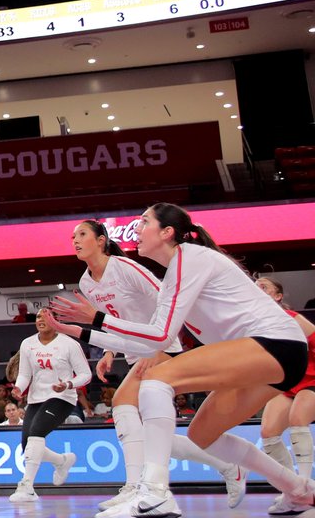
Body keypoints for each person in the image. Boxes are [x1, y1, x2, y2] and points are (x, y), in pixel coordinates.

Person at [47, 203, 315, 517]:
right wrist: (82, 331)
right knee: (202, 436)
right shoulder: (175, 274)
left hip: (277, 344)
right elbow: (143, 338)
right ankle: (298, 489)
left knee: (157, 380)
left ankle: (155, 491)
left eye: (144, 222)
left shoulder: (190, 258)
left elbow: (160, 337)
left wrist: (98, 318)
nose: (137, 228)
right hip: (266, 357)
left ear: (167, 232)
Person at [52, 219, 250, 515]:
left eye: (82, 234)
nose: (75, 240)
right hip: (135, 350)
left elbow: (167, 299)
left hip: (162, 343)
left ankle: (136, 488)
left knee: (121, 403)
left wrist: (156, 344)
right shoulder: (86, 282)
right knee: (155, 437)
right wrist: (109, 350)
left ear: (102, 240)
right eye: (72, 237)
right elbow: (108, 318)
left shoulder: (124, 267)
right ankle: (227, 467)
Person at [7, 309, 87, 503]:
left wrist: (68, 384)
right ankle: (62, 461)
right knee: (28, 444)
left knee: (36, 434)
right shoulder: (27, 343)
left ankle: (27, 486)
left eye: (46, 316)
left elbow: (85, 374)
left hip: (63, 397)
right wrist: (19, 388)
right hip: (36, 398)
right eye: (38, 317)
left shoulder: (69, 344)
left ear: (56, 321)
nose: (40, 320)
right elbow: (25, 374)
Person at [254, 275, 315, 510]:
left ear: (278, 296)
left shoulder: (291, 318)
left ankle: (307, 486)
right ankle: (292, 492)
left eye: (264, 287)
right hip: (286, 383)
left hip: (311, 378)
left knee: (297, 419)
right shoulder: (253, 326)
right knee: (268, 432)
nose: (257, 289)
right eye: (255, 286)